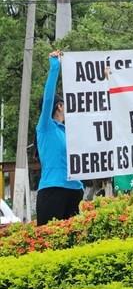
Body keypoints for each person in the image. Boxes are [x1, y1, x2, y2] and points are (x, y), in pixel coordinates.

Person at [35, 51, 84, 225]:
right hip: (52, 190)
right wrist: (55, 67)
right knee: (49, 244)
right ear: (59, 106)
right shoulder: (46, 127)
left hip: (75, 190)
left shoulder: (68, 131)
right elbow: (48, 97)